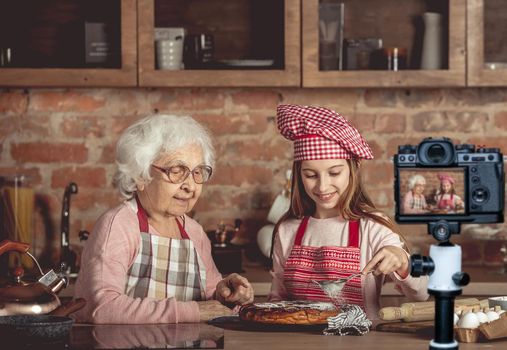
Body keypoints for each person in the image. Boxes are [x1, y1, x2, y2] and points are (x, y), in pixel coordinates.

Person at [73, 114, 254, 324]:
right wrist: (192, 312)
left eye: (197, 172)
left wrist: (225, 293)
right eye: (177, 171)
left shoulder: (195, 233)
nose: (190, 185)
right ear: (140, 176)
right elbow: (101, 307)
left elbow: (208, 298)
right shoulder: (120, 226)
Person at [268, 104, 428, 319]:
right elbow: (277, 300)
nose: (322, 187)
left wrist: (402, 261)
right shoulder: (287, 230)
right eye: (311, 175)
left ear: (352, 170)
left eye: (334, 173)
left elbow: (420, 294)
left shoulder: (373, 227)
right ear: (298, 175)